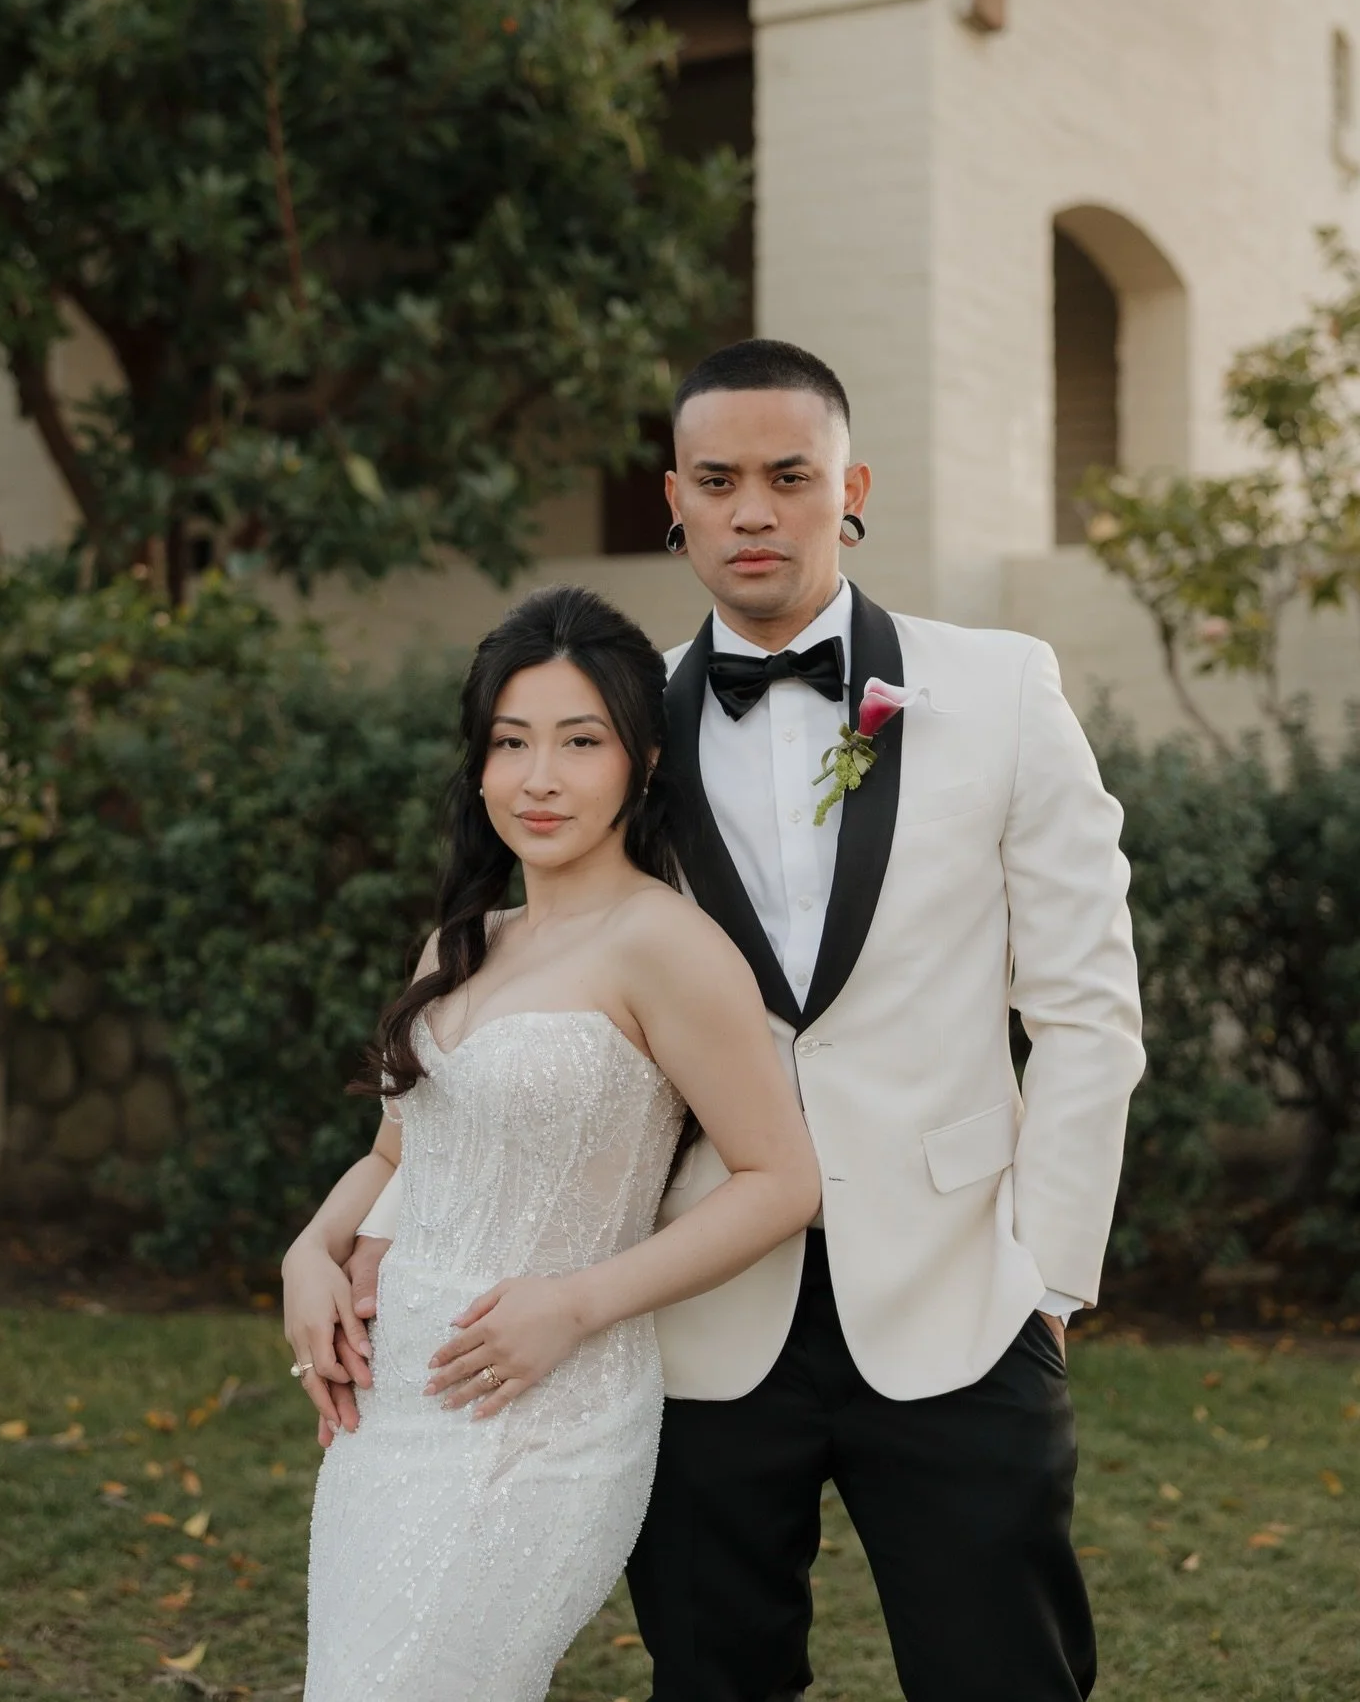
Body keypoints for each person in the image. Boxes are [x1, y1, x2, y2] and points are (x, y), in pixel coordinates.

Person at [335, 336, 1145, 1701]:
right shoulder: (608, 723)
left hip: (959, 1294)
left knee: (1006, 1674)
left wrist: (1048, 1281)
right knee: (715, 1679)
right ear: (676, 496)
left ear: (852, 486)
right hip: (695, 1311)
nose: (754, 509)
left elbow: (1086, 1010)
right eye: (719, 479)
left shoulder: (1002, 689)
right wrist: (357, 1229)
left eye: (789, 474)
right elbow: (510, 998)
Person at [282, 583, 820, 1702]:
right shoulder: (465, 937)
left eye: (581, 741)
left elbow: (781, 1181)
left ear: (642, 761)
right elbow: (395, 1154)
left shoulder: (666, 946)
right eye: (510, 741)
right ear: (476, 764)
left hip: (545, 1412)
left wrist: (574, 1304)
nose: (539, 777)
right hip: (391, 1417)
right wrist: (308, 1252)